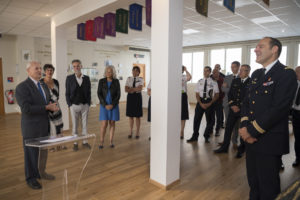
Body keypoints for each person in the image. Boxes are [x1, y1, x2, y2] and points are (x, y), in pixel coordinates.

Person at [239, 37, 297, 200]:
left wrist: (250, 131)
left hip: (269, 140)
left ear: (274, 50)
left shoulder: (286, 74)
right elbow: (246, 103)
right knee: (253, 182)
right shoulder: (257, 74)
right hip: (250, 139)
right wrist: (244, 127)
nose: (256, 49)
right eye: (256, 47)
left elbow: (279, 109)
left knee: (268, 187)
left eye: (260, 46)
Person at [15, 61, 58, 189]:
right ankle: (31, 178)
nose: (40, 70)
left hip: (44, 126)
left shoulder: (43, 85)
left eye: (40, 68)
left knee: (43, 152)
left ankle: (41, 172)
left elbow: (46, 101)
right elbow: (26, 109)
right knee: (31, 154)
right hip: (31, 128)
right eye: (36, 68)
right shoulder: (22, 87)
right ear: (28, 71)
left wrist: (52, 107)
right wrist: (46, 107)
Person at [214, 64, 251, 158]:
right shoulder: (235, 80)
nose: (240, 72)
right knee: (228, 128)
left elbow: (250, 98)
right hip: (233, 109)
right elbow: (230, 94)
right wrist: (232, 105)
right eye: (240, 70)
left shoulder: (252, 83)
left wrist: (240, 107)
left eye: (243, 70)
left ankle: (241, 150)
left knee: (242, 130)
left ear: (248, 72)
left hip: (244, 111)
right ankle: (224, 147)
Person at [187, 66, 219, 143]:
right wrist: (200, 103)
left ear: (210, 72)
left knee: (210, 121)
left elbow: (217, 95)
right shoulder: (199, 81)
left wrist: (210, 103)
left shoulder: (214, 82)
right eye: (204, 71)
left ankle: (206, 135)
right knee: (196, 120)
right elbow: (197, 94)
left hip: (209, 101)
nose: (205, 72)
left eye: (207, 71)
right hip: (200, 102)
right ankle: (195, 136)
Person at [65, 59, 91, 151]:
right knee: (75, 125)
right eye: (74, 66)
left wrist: (88, 103)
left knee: (85, 125)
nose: (76, 68)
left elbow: (89, 92)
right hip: (74, 105)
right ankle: (75, 143)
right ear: (72, 68)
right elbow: (67, 93)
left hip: (85, 105)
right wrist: (70, 105)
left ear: (81, 66)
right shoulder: (69, 78)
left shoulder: (87, 78)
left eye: (78, 66)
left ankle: (85, 142)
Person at [97, 65, 120, 149]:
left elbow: (118, 94)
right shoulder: (101, 81)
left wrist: (112, 104)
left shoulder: (116, 81)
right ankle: (101, 142)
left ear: (112, 73)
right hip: (104, 106)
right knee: (104, 124)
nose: (108, 73)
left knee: (112, 123)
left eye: (110, 71)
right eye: (107, 71)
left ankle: (111, 141)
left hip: (114, 105)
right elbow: (99, 94)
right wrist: (104, 104)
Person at [222, 61, 240, 149]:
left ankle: (234, 141)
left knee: (236, 124)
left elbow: (241, 92)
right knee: (227, 122)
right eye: (231, 67)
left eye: (234, 67)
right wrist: (233, 90)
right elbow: (223, 88)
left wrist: (229, 88)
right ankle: (225, 140)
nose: (232, 68)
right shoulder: (227, 77)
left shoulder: (242, 77)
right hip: (226, 103)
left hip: (236, 105)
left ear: (238, 67)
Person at [125, 66, 144, 139]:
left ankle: (137, 132)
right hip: (130, 97)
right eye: (133, 70)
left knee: (138, 116)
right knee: (130, 115)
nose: (134, 72)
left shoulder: (141, 79)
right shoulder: (129, 79)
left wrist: (131, 89)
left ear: (139, 72)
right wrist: (134, 89)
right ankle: (130, 131)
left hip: (137, 97)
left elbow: (140, 88)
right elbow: (126, 89)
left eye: (136, 71)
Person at [211, 68, 224, 136]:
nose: (214, 74)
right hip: (211, 101)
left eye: (216, 72)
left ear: (219, 73)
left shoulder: (222, 79)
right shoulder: (210, 80)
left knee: (219, 117)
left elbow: (224, 91)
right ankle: (210, 129)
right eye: (213, 72)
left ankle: (217, 130)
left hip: (219, 101)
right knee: (211, 117)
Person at [292, 66, 300, 167]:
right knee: (297, 138)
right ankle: (298, 158)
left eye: (297, 72)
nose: (296, 74)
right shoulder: (294, 84)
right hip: (295, 113)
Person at [181, 66, 192, 139]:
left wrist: (186, 70)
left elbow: (190, 77)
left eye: (181, 69)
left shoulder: (184, 76)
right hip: (173, 96)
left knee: (183, 114)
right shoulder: (172, 75)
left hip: (182, 95)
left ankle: (181, 131)